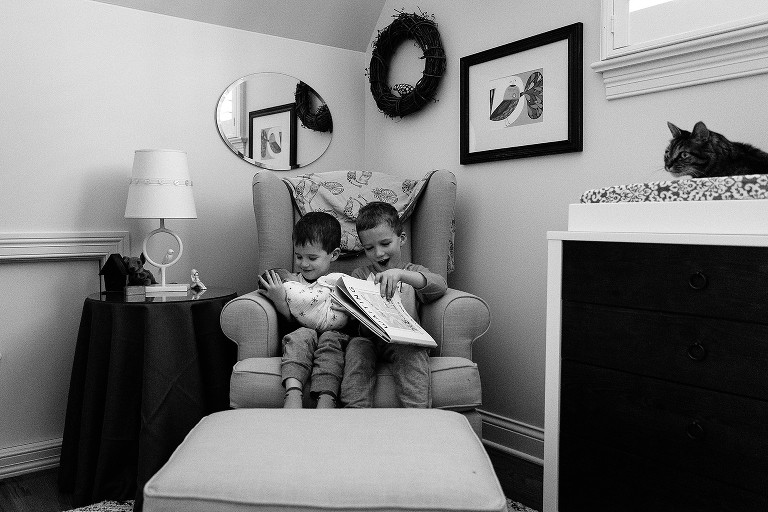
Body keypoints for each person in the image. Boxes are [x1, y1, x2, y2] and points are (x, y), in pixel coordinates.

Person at [340, 202, 447, 408]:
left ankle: (417, 414)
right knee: (356, 348)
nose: (378, 253)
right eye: (369, 248)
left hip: (404, 340)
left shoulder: (412, 272)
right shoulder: (360, 274)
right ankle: (355, 412)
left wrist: (401, 275)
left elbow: (439, 285)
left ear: (402, 239)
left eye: (385, 243)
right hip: (369, 340)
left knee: (412, 352)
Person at [258, 212, 349, 409]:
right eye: (299, 256)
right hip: (302, 332)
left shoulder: (337, 282)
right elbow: (289, 321)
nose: (303, 264)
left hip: (333, 335)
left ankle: (326, 398)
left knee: (331, 344)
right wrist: (279, 299)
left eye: (312, 258)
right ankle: (293, 393)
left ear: (334, 255)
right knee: (300, 336)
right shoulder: (290, 283)